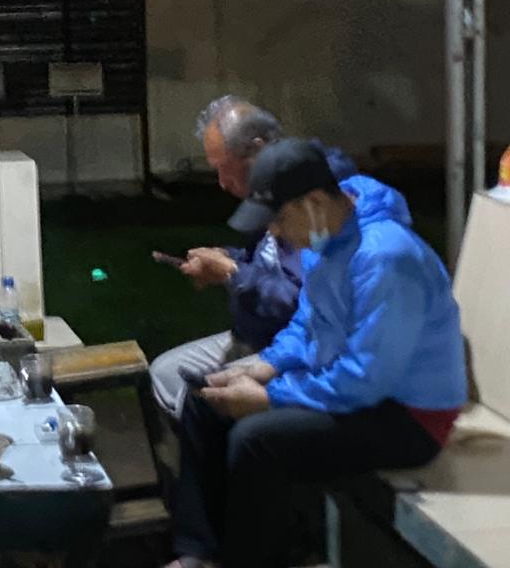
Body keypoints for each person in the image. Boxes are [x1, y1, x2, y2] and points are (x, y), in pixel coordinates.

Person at [166, 139, 465, 568]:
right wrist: (263, 366)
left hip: (410, 415)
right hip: (356, 388)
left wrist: (270, 397)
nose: (273, 233)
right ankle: (198, 553)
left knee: (257, 440)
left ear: (315, 203)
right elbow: (307, 325)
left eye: (279, 219)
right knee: (204, 404)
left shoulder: (385, 257)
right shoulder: (325, 243)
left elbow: (365, 378)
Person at [149, 96, 357, 419]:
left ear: (257, 149)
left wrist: (232, 273)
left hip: (301, 346)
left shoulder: (312, 195)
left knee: (202, 402)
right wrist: (225, 258)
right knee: (166, 375)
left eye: (224, 167)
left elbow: (299, 301)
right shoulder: (274, 185)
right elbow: (269, 260)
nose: (222, 183)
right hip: (261, 337)